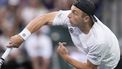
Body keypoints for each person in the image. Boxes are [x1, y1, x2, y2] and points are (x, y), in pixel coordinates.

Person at [7, 0, 120, 69]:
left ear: (86, 19)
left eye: (74, 13)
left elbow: (90, 67)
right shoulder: (71, 17)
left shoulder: (99, 40)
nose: (69, 15)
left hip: (111, 66)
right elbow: (44, 18)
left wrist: (65, 57)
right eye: (71, 10)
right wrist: (22, 36)